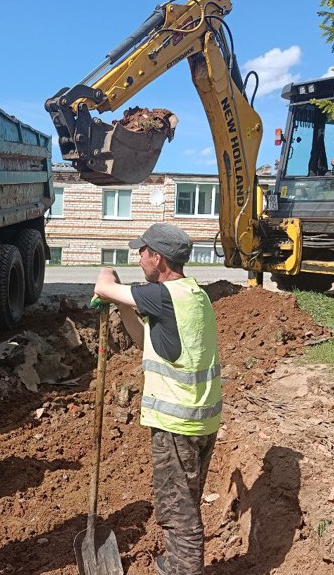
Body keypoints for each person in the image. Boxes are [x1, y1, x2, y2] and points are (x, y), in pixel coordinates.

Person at [93, 223, 221, 575]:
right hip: (200, 420)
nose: (139, 257)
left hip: (176, 425)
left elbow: (103, 285)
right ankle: (177, 563)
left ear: (158, 258)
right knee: (186, 501)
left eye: (143, 252)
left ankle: (181, 571)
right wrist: (120, 306)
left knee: (178, 514)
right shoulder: (192, 294)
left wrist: (109, 275)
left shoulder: (163, 296)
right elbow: (144, 339)